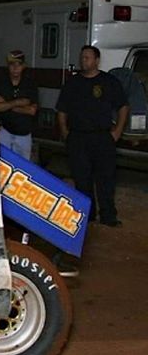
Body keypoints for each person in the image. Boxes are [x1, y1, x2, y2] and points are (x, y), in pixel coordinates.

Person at [56, 45, 129, 226]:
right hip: (78, 138)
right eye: (82, 57)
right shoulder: (72, 83)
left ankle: (108, 216)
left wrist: (117, 131)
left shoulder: (109, 82)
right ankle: (87, 215)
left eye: (88, 57)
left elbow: (123, 106)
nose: (84, 60)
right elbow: (62, 109)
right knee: (82, 179)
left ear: (97, 60)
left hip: (102, 138)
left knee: (106, 179)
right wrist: (65, 132)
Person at [0, 50, 38, 160]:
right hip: (5, 132)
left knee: (23, 169)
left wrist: (5, 104)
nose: (15, 68)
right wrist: (18, 102)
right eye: (12, 64)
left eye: (19, 64)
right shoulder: (0, 84)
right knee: (2, 165)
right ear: (8, 66)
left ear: (24, 66)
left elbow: (31, 110)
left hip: (24, 135)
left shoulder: (30, 85)